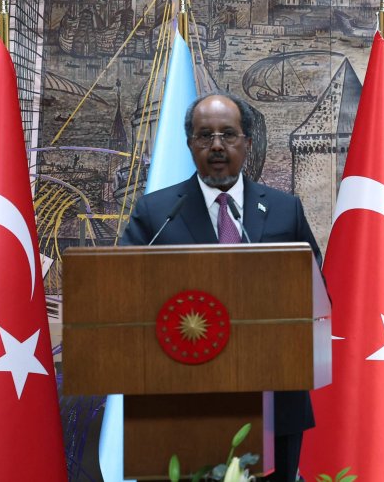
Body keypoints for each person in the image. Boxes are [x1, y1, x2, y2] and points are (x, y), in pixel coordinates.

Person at [121, 92, 322, 482]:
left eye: (228, 134)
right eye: (205, 135)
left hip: (275, 401)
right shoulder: (158, 213)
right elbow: (124, 294)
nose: (216, 145)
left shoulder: (284, 210)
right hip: (181, 404)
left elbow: (316, 292)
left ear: (247, 142)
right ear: (189, 144)